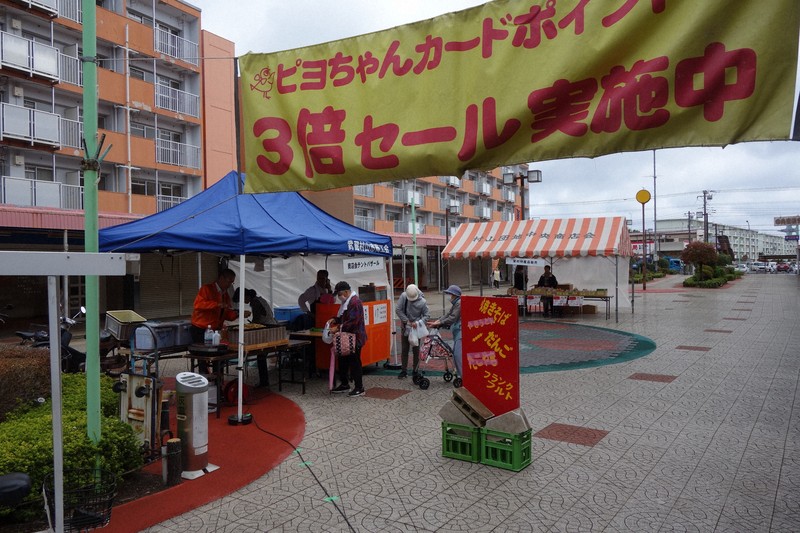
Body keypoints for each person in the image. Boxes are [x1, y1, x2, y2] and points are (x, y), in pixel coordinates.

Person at [190, 268, 249, 373]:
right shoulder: (206, 289)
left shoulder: (225, 295)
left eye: (232, 282)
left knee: (219, 354)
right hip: (200, 329)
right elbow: (198, 305)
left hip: (214, 330)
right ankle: (205, 379)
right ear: (221, 278)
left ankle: (218, 379)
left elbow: (227, 314)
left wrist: (238, 314)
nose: (230, 284)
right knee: (203, 357)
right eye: (229, 281)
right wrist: (216, 304)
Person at [329, 281, 367, 397]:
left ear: (346, 291)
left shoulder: (355, 302)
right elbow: (344, 317)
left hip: (355, 338)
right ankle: (345, 384)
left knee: (354, 362)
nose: (340, 297)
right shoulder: (347, 302)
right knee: (343, 361)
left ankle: (359, 387)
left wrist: (338, 327)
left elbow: (353, 322)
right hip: (347, 338)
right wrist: (335, 319)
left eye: (340, 294)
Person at [234, 287, 277, 387]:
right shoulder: (259, 299)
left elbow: (256, 321)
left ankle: (264, 382)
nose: (243, 302)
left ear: (247, 296)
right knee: (261, 356)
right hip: (270, 328)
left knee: (261, 356)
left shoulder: (256, 303)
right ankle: (264, 381)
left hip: (267, 330)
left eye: (243, 299)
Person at [395, 283, 430, 379]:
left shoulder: (422, 301)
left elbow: (427, 315)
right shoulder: (404, 296)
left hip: (416, 329)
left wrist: (418, 323)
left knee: (416, 350)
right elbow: (398, 309)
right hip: (405, 327)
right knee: (404, 349)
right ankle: (404, 370)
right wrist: (406, 320)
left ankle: (415, 370)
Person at [428, 285, 462, 378]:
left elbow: (452, 318)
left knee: (457, 354)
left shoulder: (459, 303)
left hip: (461, 332)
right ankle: (460, 373)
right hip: (458, 331)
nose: (448, 296)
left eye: (449, 294)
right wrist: (437, 322)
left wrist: (439, 323)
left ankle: (462, 376)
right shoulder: (456, 303)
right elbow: (448, 314)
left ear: (454, 294)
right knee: (456, 354)